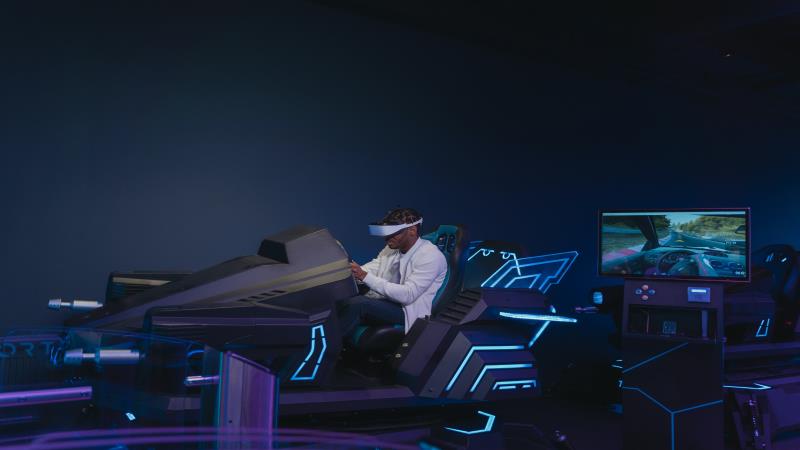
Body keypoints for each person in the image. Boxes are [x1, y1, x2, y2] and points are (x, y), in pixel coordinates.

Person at [338, 208, 448, 339]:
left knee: (359, 304)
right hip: (387, 301)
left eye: (392, 233)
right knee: (341, 298)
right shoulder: (391, 248)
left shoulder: (430, 256)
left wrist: (364, 276)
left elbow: (408, 295)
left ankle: (329, 348)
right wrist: (353, 272)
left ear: (412, 230)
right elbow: (375, 266)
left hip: (408, 312)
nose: (386, 238)